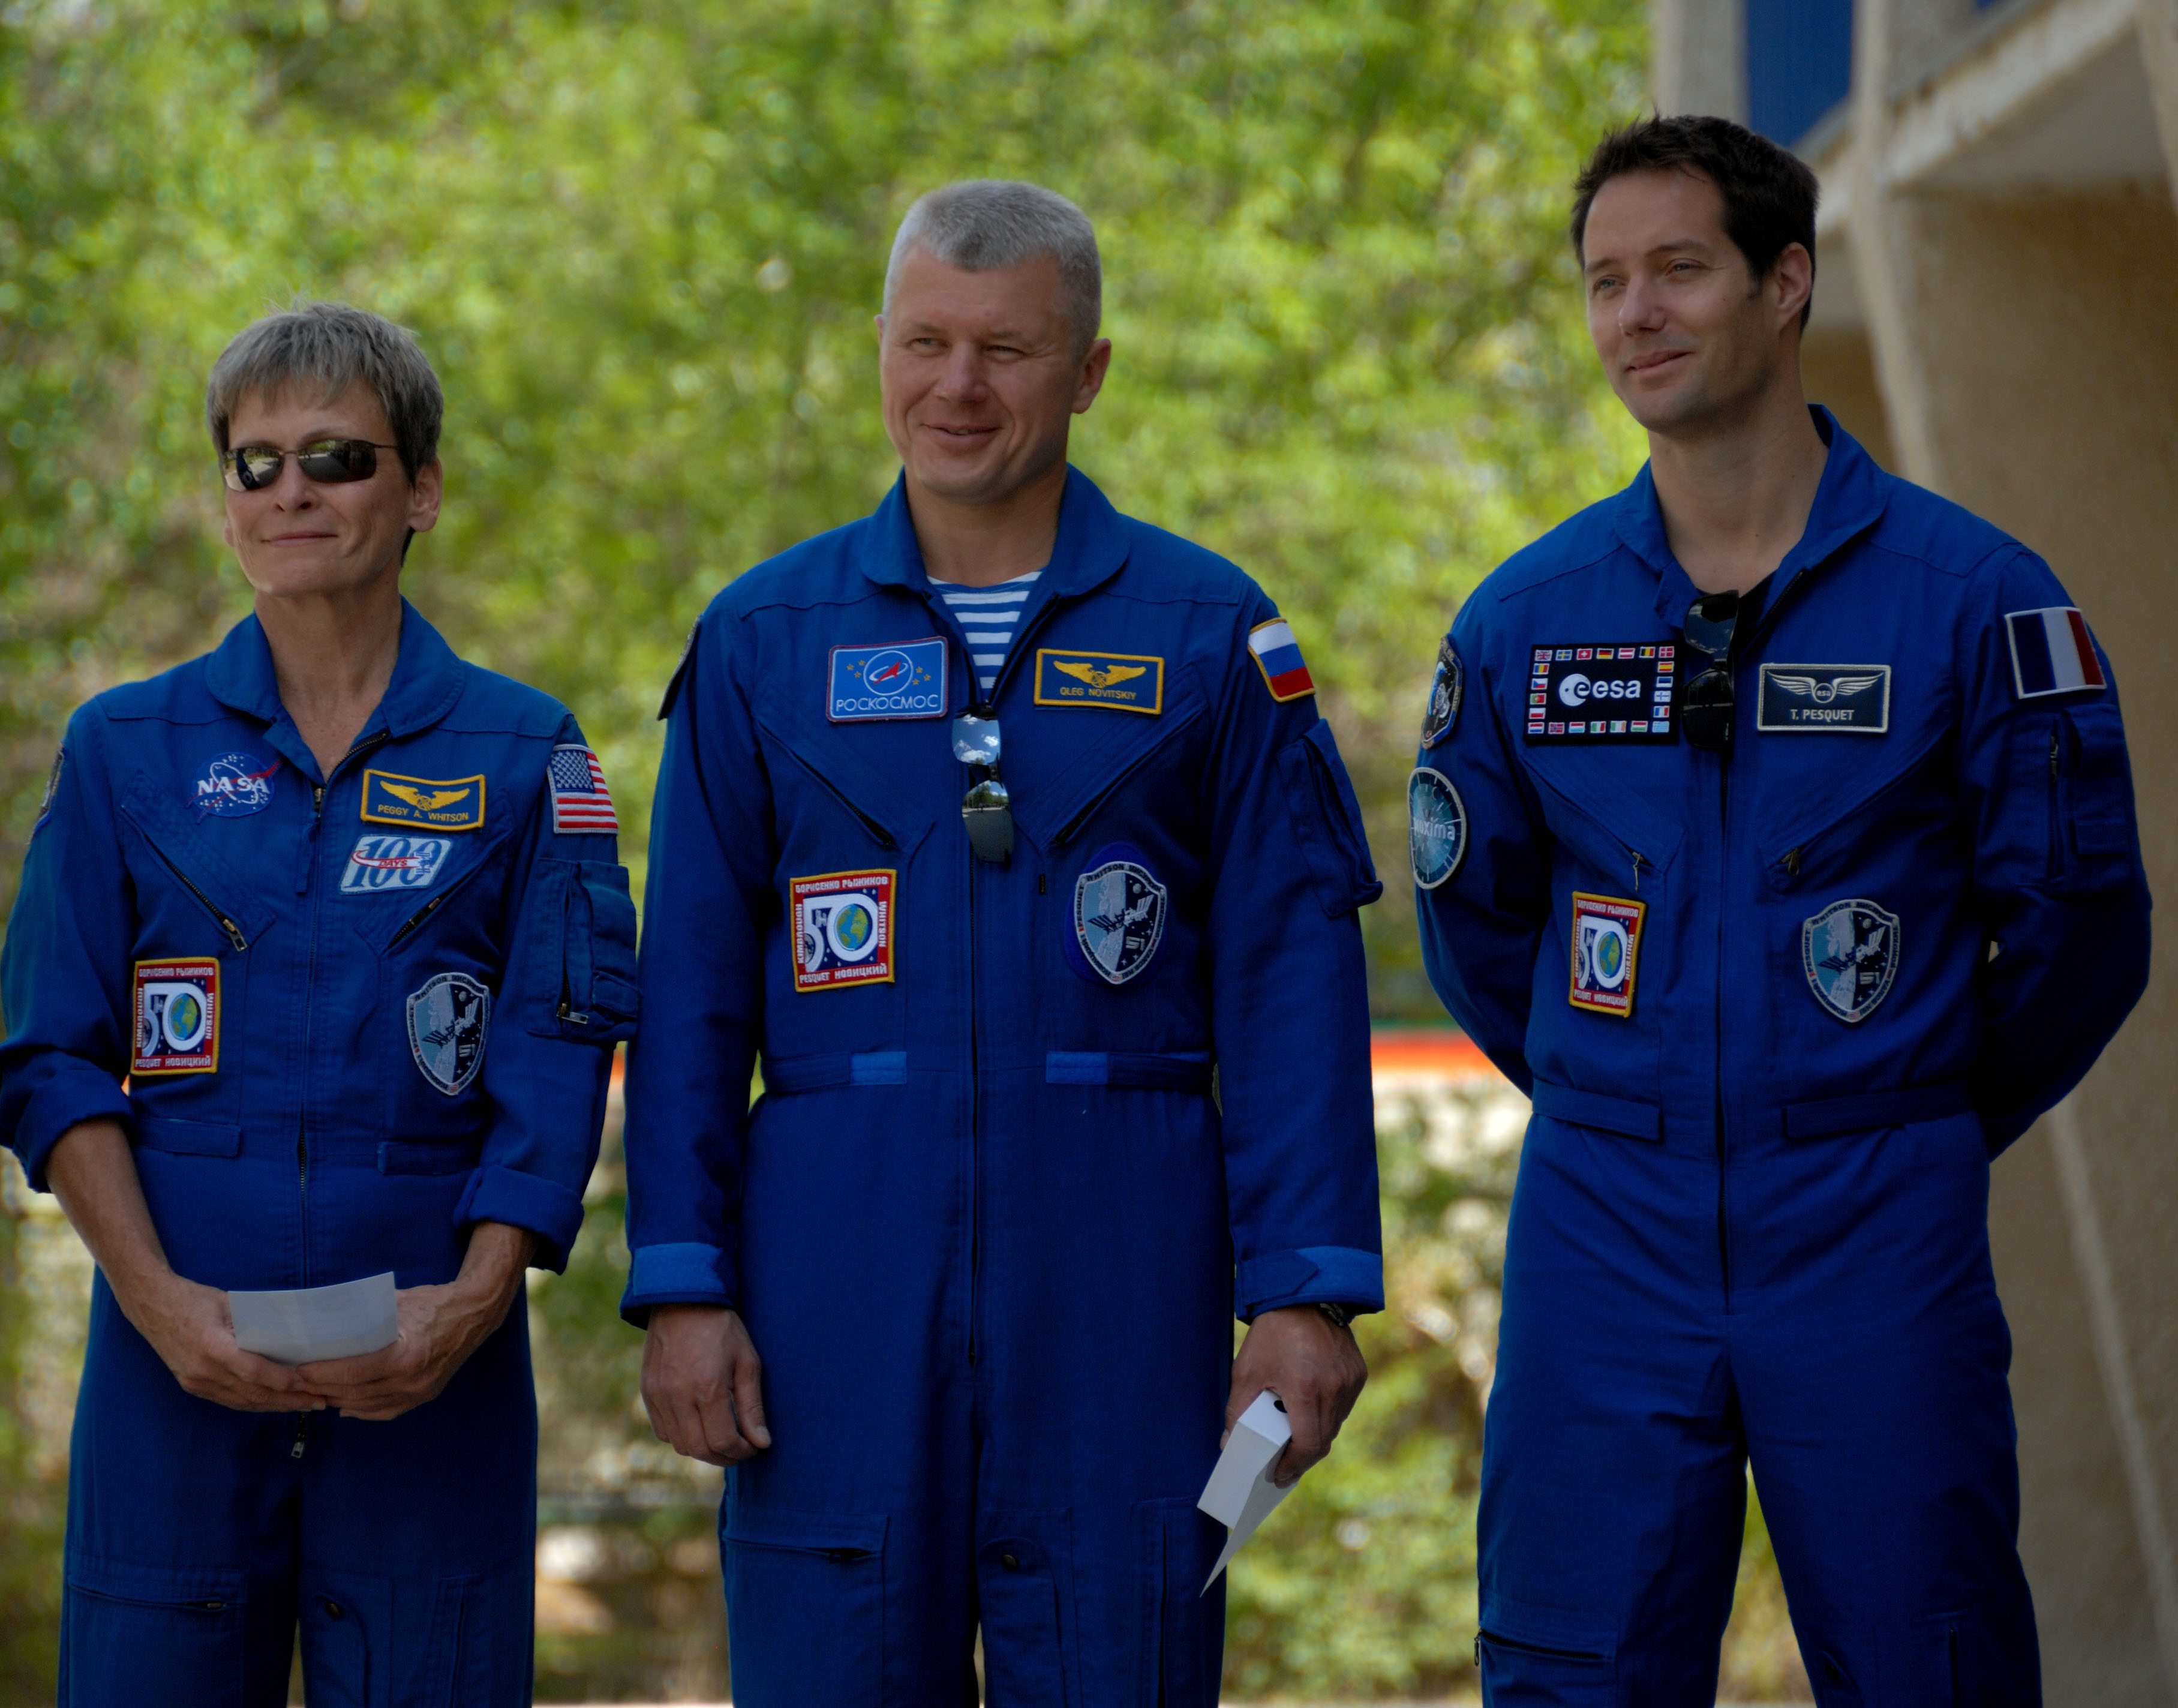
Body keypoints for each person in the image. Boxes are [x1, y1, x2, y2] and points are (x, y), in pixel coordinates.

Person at [1413, 115, 2152, 1704]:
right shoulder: (1526, 626)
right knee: (1569, 1665)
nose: (1638, 316)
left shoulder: (1978, 605)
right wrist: (1649, 1099)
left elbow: (2084, 933)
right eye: (1607, 281)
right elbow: (1480, 932)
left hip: (1875, 1220)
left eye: (1681, 270)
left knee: (1927, 1657)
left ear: (1787, 282)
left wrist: (1906, 1107)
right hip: (1605, 1223)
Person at [623, 179, 1384, 1704]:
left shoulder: (1205, 632)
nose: (957, 386)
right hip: (831, 1288)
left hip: (1122, 1284)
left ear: (1087, 369)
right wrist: (684, 1282)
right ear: (882, 352)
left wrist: (1304, 1289)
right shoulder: (763, 640)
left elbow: (1291, 981)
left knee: (1118, 1650)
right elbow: (692, 990)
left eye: (1007, 351)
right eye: (925, 343)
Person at [0, 303, 636, 1704]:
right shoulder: (124, 750)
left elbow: (561, 1040)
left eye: (338, 456)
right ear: (226, 498)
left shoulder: (528, 749)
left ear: (421, 489)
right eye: (255, 461)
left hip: (432, 1359)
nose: (291, 489)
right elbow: (51, 1053)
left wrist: (470, 1305)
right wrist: (163, 1308)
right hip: (172, 1365)